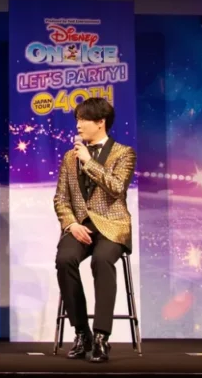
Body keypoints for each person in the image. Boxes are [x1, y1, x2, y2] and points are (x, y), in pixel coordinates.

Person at [53, 97, 136, 363]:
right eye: (77, 120)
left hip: (112, 226)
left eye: (83, 120)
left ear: (100, 122)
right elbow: (61, 198)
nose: (78, 125)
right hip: (80, 226)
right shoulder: (70, 157)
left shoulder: (124, 153)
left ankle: (101, 336)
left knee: (101, 261)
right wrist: (71, 224)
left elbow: (117, 187)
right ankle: (82, 333)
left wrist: (89, 161)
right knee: (64, 259)